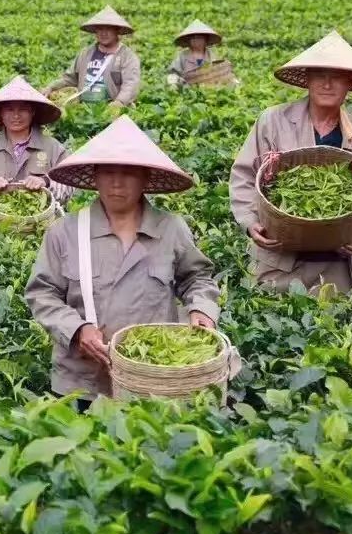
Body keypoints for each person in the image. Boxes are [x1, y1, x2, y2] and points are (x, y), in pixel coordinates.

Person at [25, 114, 221, 403]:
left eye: (128, 172)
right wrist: (76, 330)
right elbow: (42, 293)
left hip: (153, 373)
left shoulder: (170, 228)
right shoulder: (65, 231)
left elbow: (197, 278)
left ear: (145, 178)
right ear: (95, 177)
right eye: (108, 172)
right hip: (82, 380)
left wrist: (202, 309)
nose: (117, 182)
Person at [229, 31, 352, 294]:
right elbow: (245, 176)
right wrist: (250, 223)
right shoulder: (272, 121)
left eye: (336, 76)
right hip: (280, 261)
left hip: (337, 263)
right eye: (319, 75)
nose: (327, 84)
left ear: (350, 82)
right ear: (307, 80)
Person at [0, 75, 71, 207]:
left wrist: (45, 182)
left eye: (23, 109)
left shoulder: (53, 147)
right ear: (1, 113)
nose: (16, 115)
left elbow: (69, 188)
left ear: (32, 112)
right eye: (9, 109)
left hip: (42, 224)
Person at [43, 5, 141, 106]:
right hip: (84, 109)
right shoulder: (85, 53)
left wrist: (120, 102)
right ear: (95, 31)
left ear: (117, 31)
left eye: (108, 29)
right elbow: (70, 78)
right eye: (100, 29)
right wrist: (51, 87)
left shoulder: (127, 56)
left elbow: (130, 84)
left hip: (112, 110)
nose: (104, 33)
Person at [165, 20, 230, 87]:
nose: (196, 40)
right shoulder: (183, 55)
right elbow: (173, 71)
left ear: (206, 40)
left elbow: (217, 69)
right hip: (188, 85)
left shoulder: (210, 54)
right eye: (193, 38)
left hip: (208, 84)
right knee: (171, 79)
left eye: (200, 38)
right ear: (188, 41)